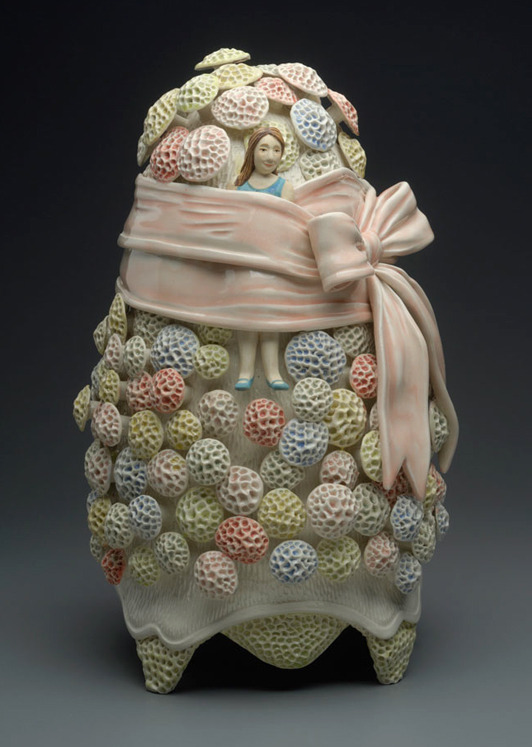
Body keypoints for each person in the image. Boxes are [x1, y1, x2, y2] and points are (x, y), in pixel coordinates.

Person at [228, 127, 294, 390]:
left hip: (272, 262)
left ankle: (272, 372)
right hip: (245, 262)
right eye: (264, 149)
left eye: (276, 150)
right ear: (252, 151)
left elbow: (289, 225)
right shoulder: (237, 186)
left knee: (270, 318)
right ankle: (245, 372)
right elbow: (229, 223)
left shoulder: (284, 187)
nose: (270, 156)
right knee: (246, 317)